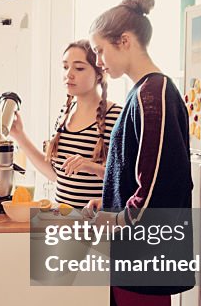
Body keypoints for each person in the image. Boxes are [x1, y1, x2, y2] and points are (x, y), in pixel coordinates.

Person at [84, 0, 194, 306]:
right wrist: (107, 199)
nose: (99, 60)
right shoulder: (141, 93)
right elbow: (133, 174)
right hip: (130, 246)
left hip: (145, 249)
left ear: (125, 41)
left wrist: (116, 218)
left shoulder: (155, 94)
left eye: (100, 50)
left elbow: (161, 184)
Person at [8, 39, 123, 208]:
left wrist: (92, 167)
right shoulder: (65, 112)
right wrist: (20, 136)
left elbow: (126, 180)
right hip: (63, 221)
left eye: (79, 68)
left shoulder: (116, 116)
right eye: (65, 67)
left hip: (97, 223)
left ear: (99, 73)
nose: (69, 74)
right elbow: (56, 175)